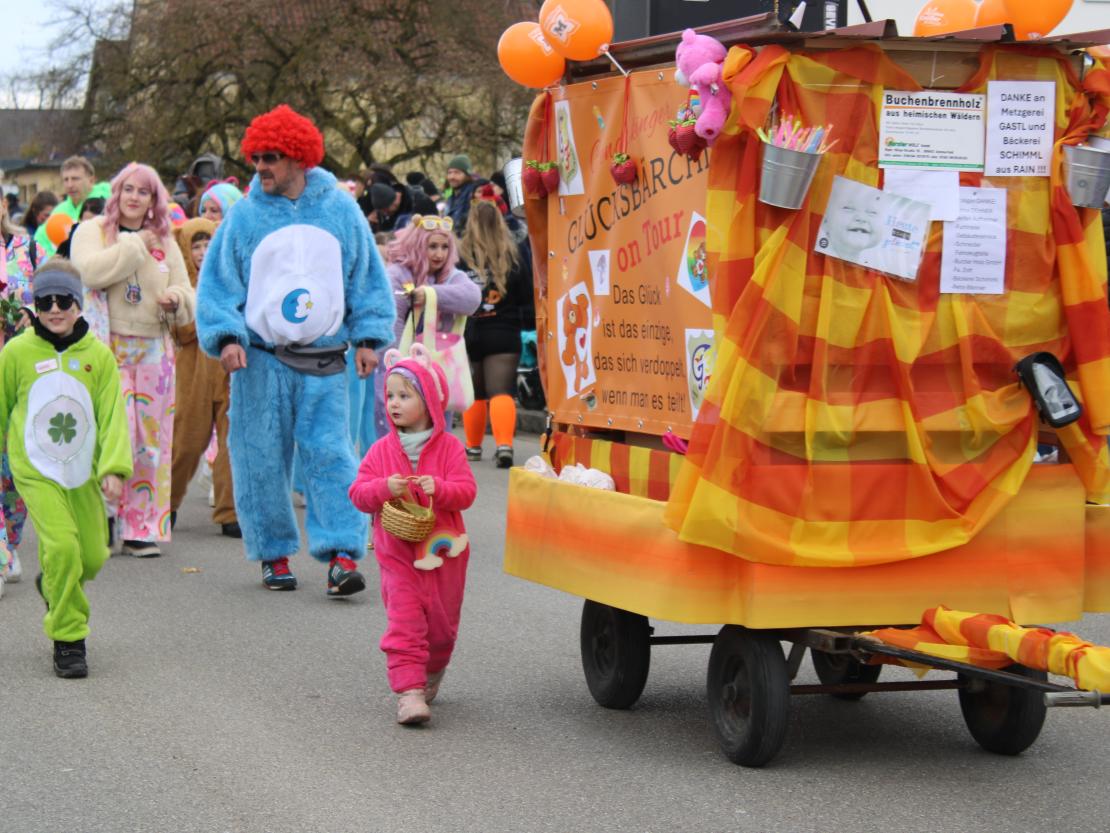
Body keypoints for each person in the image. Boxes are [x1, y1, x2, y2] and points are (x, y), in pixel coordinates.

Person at [196, 104, 395, 594]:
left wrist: (369, 337)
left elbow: (366, 277)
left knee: (331, 456)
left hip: (324, 358)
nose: (261, 166)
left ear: (299, 158)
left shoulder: (340, 211)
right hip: (261, 361)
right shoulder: (244, 217)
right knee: (260, 458)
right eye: (256, 157)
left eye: (272, 157)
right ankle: (274, 554)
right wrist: (226, 337)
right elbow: (218, 285)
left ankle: (342, 554)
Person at [0, 259, 131, 677]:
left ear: (78, 303)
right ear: (35, 305)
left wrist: (113, 468)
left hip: (81, 471)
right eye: (45, 302)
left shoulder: (98, 356)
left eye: (63, 300)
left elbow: (113, 416)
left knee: (90, 555)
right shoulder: (16, 352)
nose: (55, 309)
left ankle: (53, 584)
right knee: (61, 548)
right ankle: (69, 638)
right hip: (35, 469)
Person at [71, 162, 196, 558]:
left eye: (144, 192)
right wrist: (135, 243)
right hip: (105, 347)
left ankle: (140, 527)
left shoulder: (165, 238)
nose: (135, 197)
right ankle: (102, 515)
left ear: (154, 199)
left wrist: (176, 301)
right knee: (110, 434)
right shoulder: (92, 231)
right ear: (117, 192)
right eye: (128, 189)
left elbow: (186, 290)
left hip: (154, 350)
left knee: (149, 442)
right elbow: (90, 273)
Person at [348, 350, 477, 724]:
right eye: (390, 395)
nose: (393, 403)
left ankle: (432, 669)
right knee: (404, 622)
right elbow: (358, 493)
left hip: (445, 555)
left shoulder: (450, 448)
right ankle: (409, 692)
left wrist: (440, 488)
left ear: (430, 401)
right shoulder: (380, 451)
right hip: (398, 554)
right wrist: (383, 488)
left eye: (404, 395)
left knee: (441, 629)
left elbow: (467, 492)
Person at [169, 217, 239, 538]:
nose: (202, 252)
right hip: (192, 371)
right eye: (195, 246)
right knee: (185, 442)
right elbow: (180, 331)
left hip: (228, 371)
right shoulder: (179, 285)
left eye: (208, 244)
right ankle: (166, 504)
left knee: (231, 442)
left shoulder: (230, 279)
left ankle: (230, 511)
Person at [458, 199, 534, 468]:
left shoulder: (461, 256)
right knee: (502, 390)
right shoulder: (513, 254)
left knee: (475, 392)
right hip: (504, 330)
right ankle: (504, 445)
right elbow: (527, 295)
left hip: (471, 330)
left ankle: (473, 446)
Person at [0, 193, 39, 590]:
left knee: (14, 468)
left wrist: (30, 312)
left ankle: (10, 542)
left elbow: (54, 295)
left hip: (20, 369)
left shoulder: (27, 247)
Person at [388, 216, 481, 348]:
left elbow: (473, 298)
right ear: (416, 245)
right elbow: (393, 323)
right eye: (432, 246)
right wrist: (400, 359)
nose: (439, 254)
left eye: (445, 247)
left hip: (441, 356)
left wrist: (430, 294)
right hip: (404, 356)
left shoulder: (450, 274)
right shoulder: (398, 274)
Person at [34, 157, 111, 258]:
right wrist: (53, 259)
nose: (70, 185)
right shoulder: (59, 211)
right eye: (66, 180)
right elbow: (40, 242)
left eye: (75, 179)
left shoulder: (109, 203)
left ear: (91, 180)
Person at [443, 155, 484, 233]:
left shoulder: (473, 193)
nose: (452, 177)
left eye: (457, 173)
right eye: (449, 172)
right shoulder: (451, 194)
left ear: (467, 175)